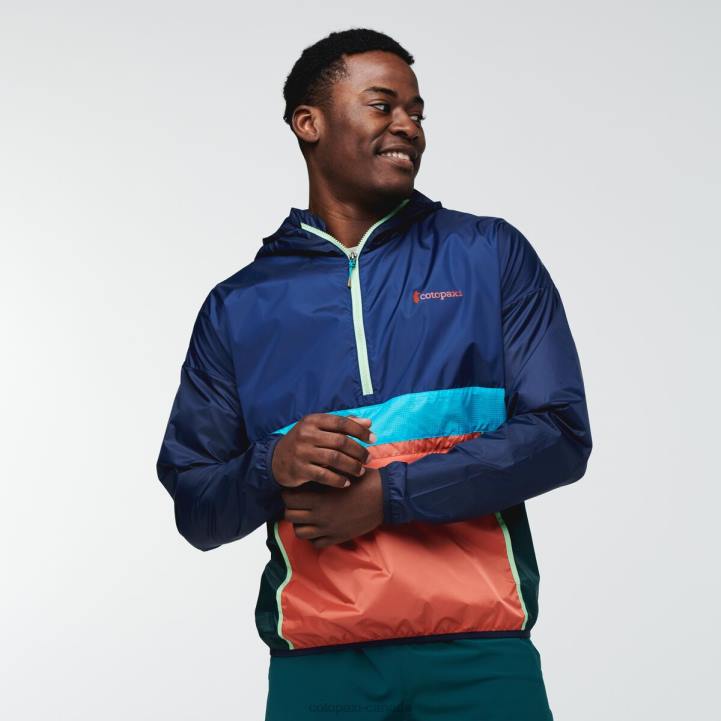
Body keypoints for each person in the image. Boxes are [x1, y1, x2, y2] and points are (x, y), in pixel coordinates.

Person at [156, 27, 592, 721]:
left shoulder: (489, 254)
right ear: (309, 123)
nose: (407, 126)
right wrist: (272, 463)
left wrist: (388, 496)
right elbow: (197, 508)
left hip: (483, 658)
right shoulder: (238, 306)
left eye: (416, 112)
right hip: (318, 671)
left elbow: (561, 435)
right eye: (382, 105)